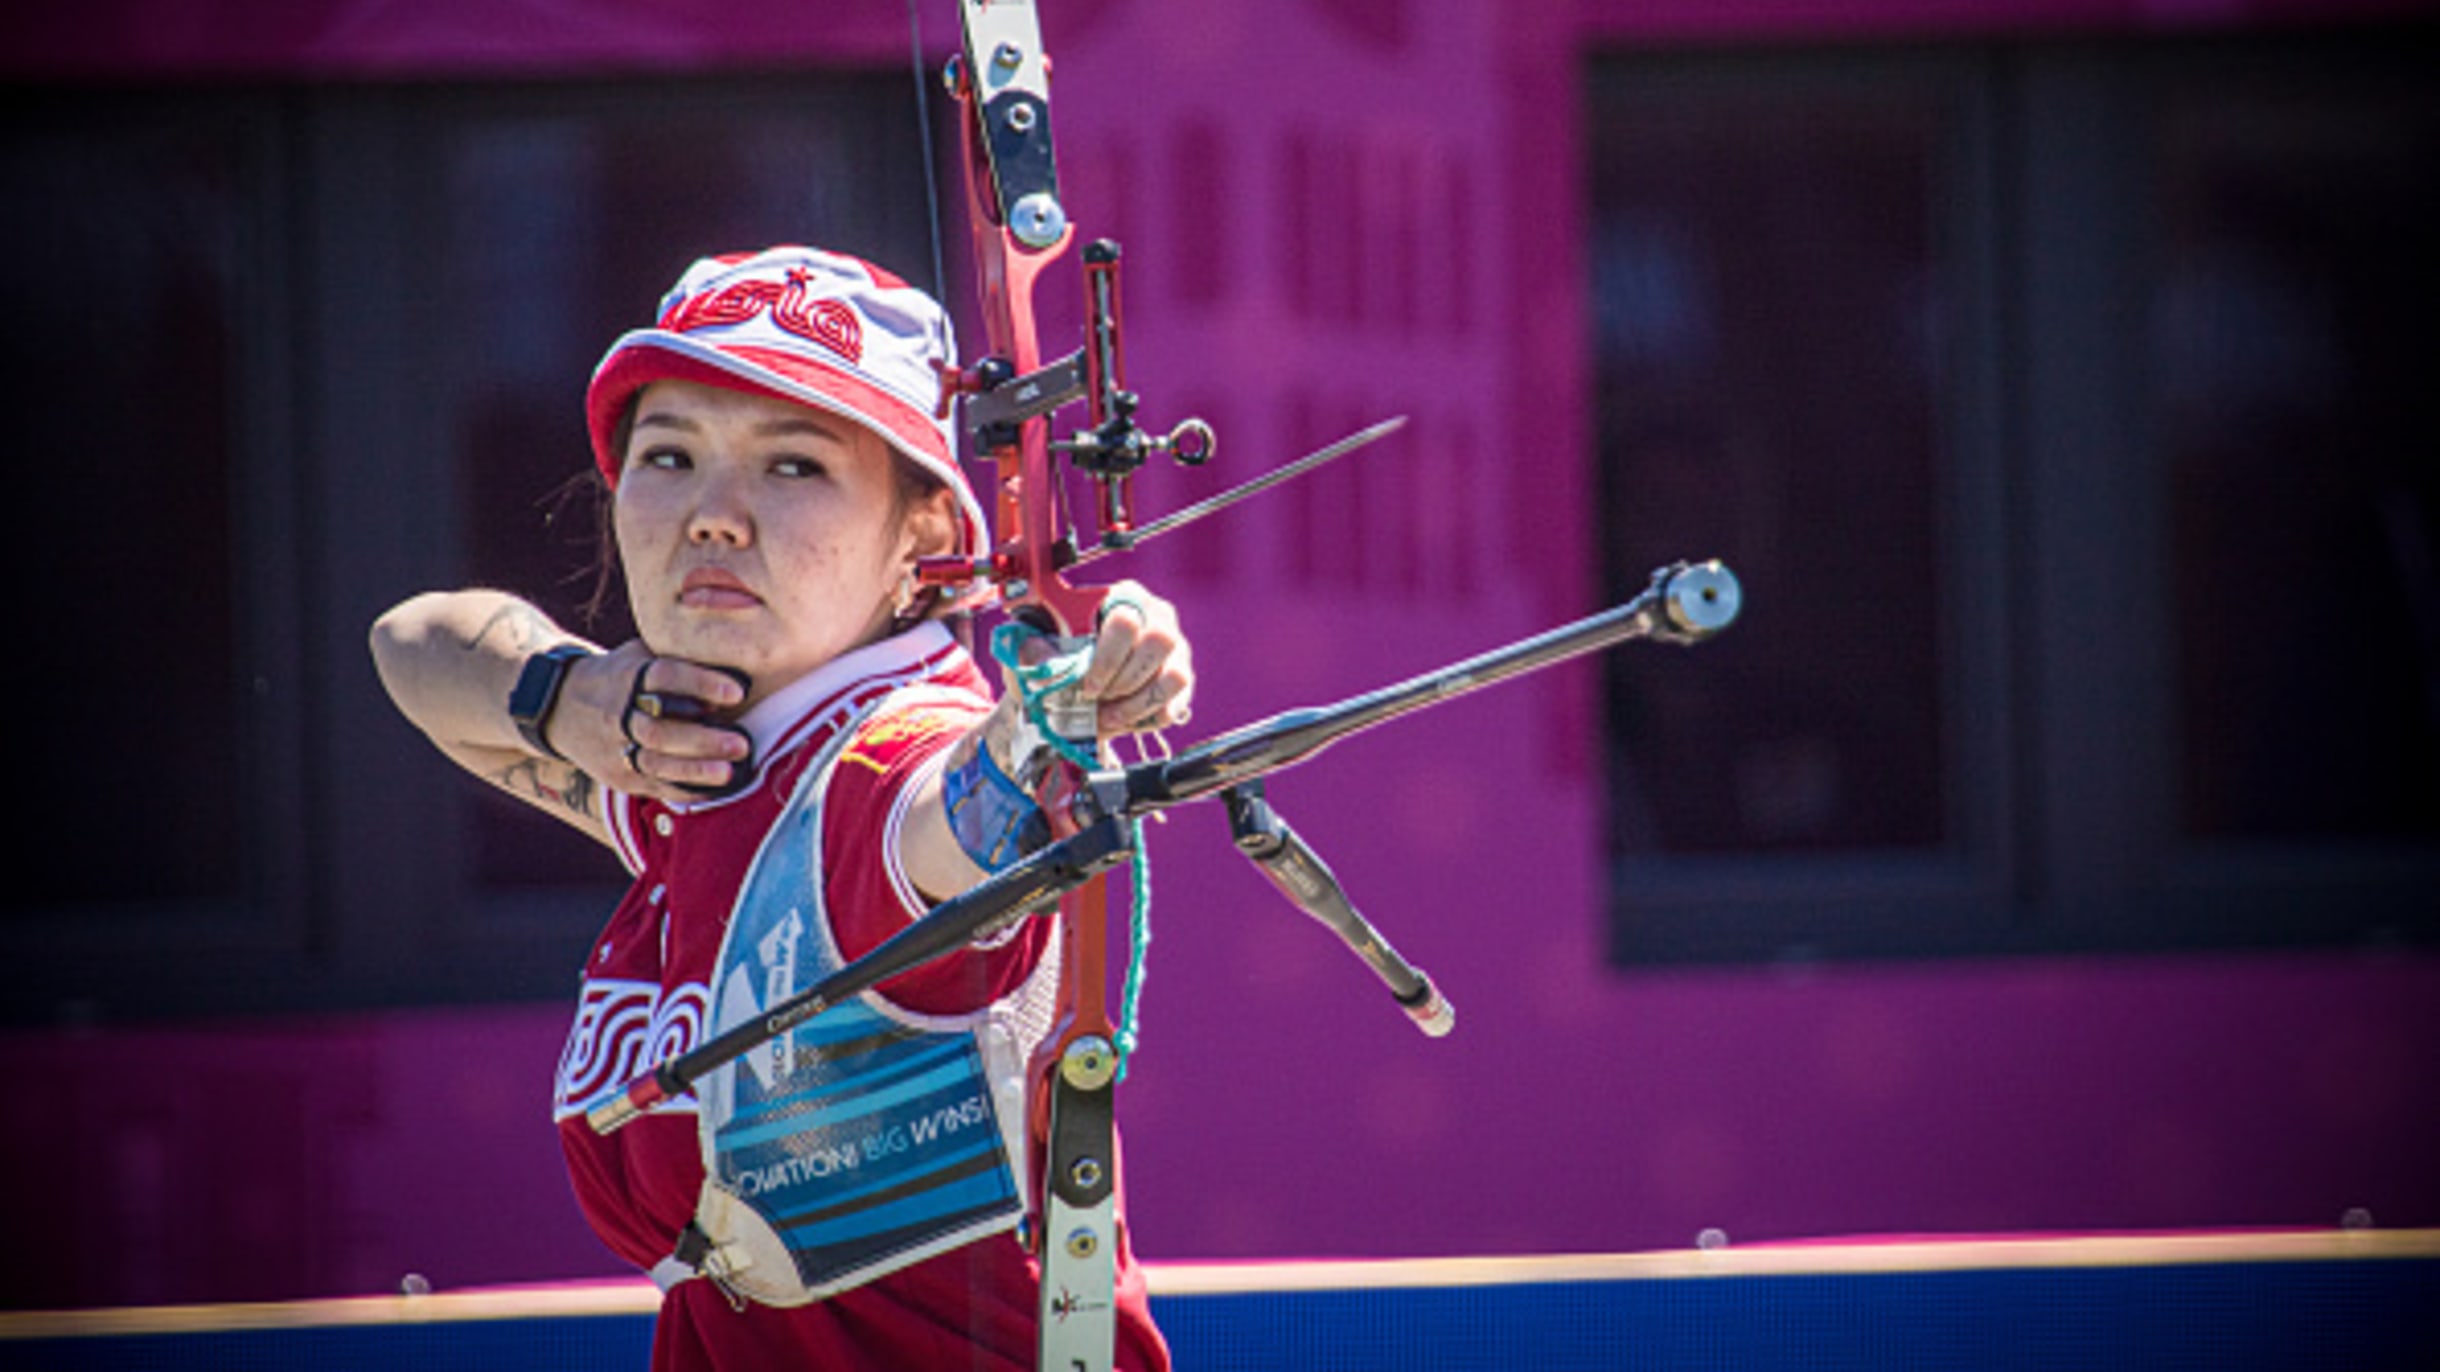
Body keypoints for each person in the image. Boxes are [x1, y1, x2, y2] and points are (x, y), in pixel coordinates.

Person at [371, 246, 1185, 1370]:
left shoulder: (881, 763)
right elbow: (410, 647)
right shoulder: (701, 755)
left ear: (928, 539)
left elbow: (945, 819)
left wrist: (1044, 725)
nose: (713, 515)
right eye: (669, 456)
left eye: (793, 466)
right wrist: (571, 698)